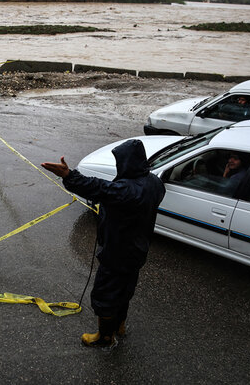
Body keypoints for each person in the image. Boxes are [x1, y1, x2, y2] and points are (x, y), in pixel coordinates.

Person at [41, 139, 165, 350]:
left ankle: (105, 337)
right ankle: (120, 325)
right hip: (138, 250)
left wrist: (69, 176)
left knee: (105, 293)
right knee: (125, 289)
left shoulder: (128, 190)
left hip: (118, 252)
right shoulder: (154, 183)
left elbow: (99, 188)